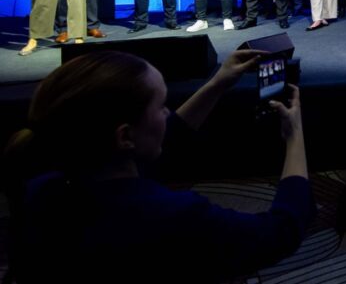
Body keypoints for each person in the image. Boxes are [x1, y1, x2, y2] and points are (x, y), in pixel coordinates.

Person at [5, 49, 311, 282]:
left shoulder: (42, 189)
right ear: (125, 137)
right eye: (161, 105)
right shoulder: (176, 216)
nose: (167, 114)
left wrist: (218, 83)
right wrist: (295, 134)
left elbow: (169, 134)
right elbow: (282, 230)